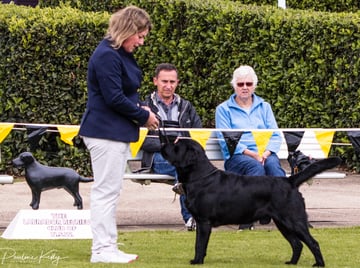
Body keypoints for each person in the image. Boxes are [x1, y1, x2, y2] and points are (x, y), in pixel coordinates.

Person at [79, 6, 159, 264]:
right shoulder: (106, 55)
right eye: (140, 35)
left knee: (111, 191)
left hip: (115, 132)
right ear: (128, 30)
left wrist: (139, 109)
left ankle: (109, 246)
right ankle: (101, 250)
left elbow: (121, 95)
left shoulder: (118, 53)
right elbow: (113, 98)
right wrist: (143, 115)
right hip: (105, 132)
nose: (141, 42)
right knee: (105, 192)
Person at [215, 65, 285, 230]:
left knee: (274, 167)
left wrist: (266, 153)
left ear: (254, 85)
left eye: (248, 83)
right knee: (255, 168)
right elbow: (226, 140)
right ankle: (248, 219)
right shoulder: (223, 109)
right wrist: (253, 155)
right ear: (234, 86)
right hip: (238, 156)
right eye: (240, 84)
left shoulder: (264, 106)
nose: (245, 87)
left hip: (264, 153)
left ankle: (286, 213)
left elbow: (275, 134)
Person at [140, 63, 202, 231]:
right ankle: (191, 218)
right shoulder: (144, 106)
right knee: (184, 168)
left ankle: (197, 215)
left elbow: (198, 133)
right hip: (158, 158)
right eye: (164, 81)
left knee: (190, 168)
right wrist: (167, 146)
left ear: (177, 82)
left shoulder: (186, 107)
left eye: (172, 82)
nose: (168, 86)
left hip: (185, 156)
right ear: (155, 81)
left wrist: (183, 144)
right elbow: (142, 140)